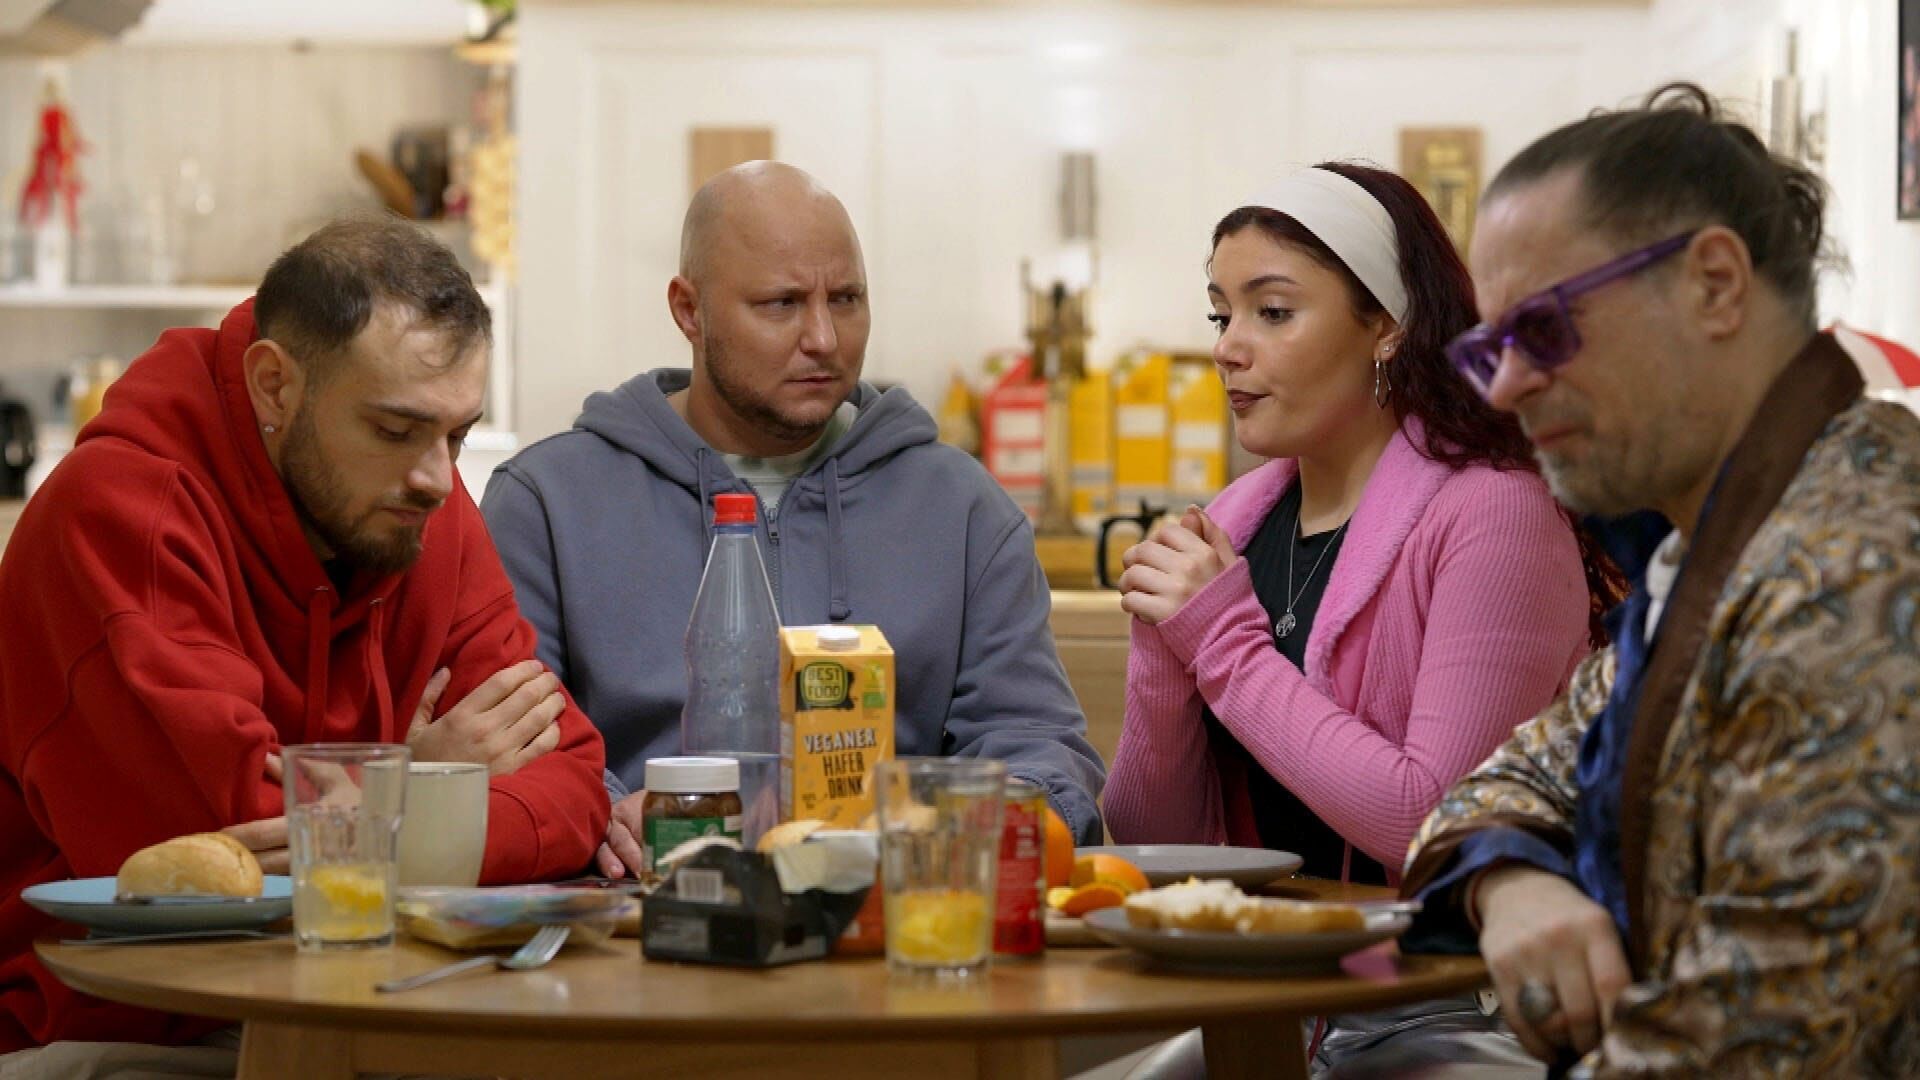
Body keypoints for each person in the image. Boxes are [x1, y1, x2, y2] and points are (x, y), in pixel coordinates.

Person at [0, 219, 610, 1065]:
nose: (439, 479)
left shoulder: (413, 506)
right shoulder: (117, 516)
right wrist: (424, 787)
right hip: (122, 1025)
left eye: (458, 435)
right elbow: (226, 860)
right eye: (394, 430)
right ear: (274, 387)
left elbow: (573, 781)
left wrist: (365, 818)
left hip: (374, 999)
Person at [1401, 83, 1920, 1075]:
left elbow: (1756, 1039)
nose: (1506, 388)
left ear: (1715, 284)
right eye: (1490, 349)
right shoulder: (1714, 547)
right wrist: (1512, 883)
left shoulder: (1852, 571)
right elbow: (1501, 780)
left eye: (1543, 328)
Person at [1103, 162, 1617, 1076]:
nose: (1228, 348)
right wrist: (1163, 646)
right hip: (1273, 1000)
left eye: (1273, 311)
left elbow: (1433, 822)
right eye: (1221, 315)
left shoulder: (1494, 512)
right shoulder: (1235, 522)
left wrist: (1220, 643)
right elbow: (1154, 845)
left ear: (1386, 326)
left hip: (1448, 1004)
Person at [483, 161, 1106, 873]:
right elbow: (513, 741)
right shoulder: (545, 503)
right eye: (780, 304)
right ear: (689, 311)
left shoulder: (963, 508)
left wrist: (984, 820)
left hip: (895, 910)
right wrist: (598, 813)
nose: (824, 338)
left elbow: (1035, 742)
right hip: (632, 912)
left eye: (846, 299)